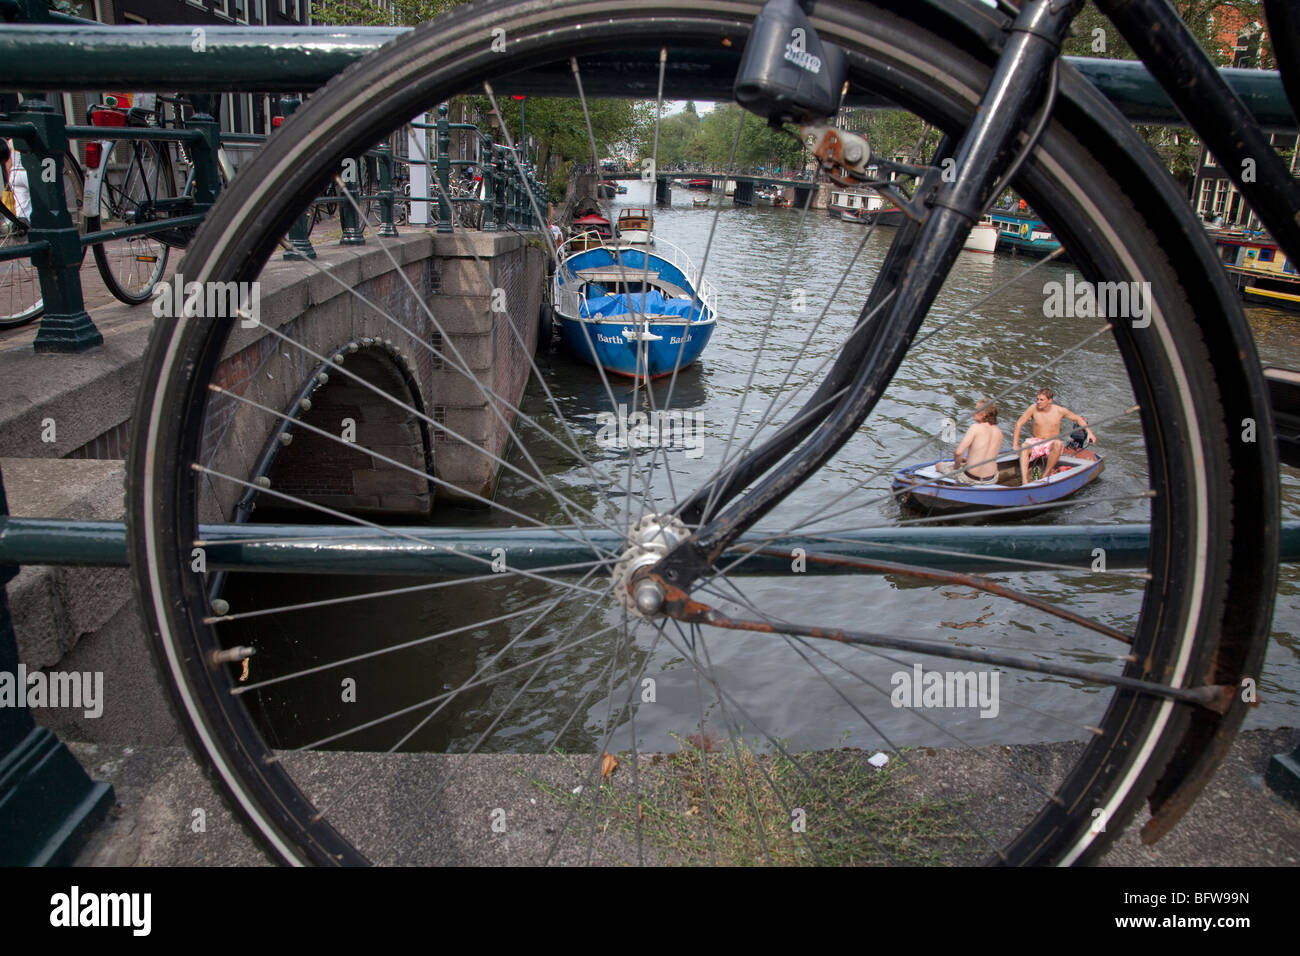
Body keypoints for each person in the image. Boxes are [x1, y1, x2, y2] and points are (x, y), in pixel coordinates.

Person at [1014, 387, 1096, 485]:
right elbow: (1019, 424)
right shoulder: (1033, 408)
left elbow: (1078, 419)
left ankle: (1045, 475)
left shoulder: (1060, 411)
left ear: (1050, 400)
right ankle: (1025, 480)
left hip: (1051, 443)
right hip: (1037, 441)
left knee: (1058, 443)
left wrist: (1090, 433)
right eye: (1037, 399)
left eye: (1041, 400)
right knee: (1024, 447)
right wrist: (1015, 445)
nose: (1038, 402)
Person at [938, 399, 1004, 485]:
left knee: (939, 465)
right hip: (991, 479)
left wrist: (956, 467)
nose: (973, 412)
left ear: (984, 414)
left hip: (971, 478)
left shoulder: (975, 428)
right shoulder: (999, 432)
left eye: (976, 410)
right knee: (965, 462)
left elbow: (958, 452)